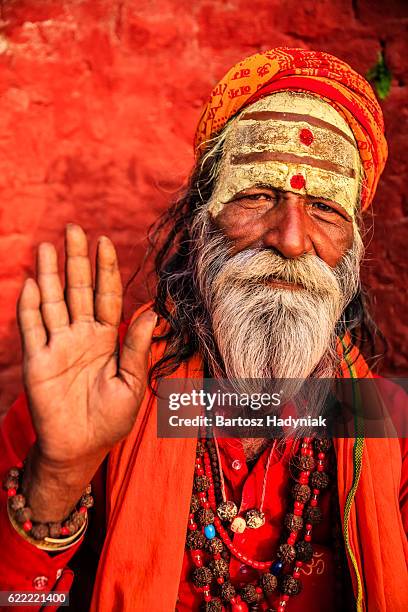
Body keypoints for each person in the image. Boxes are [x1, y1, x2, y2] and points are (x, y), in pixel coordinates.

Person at [0, 48, 407, 612]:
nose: (290, 239)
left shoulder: (386, 429)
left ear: (351, 249)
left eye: (324, 209)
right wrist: (60, 476)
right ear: (202, 218)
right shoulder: (94, 390)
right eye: (258, 196)